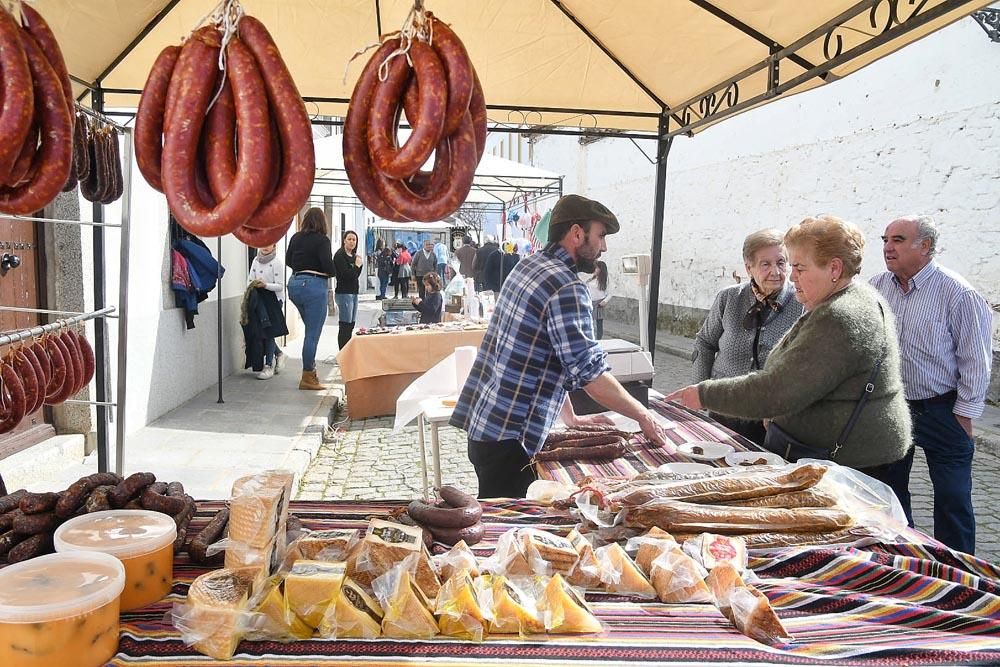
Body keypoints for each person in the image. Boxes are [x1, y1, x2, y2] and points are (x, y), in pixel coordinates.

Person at [666, 215, 912, 497]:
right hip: (848, 459)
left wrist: (703, 394)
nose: (791, 277)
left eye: (798, 267)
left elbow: (777, 390)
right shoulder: (843, 299)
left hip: (849, 467)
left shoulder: (839, 315)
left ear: (834, 268)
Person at [450, 194, 668, 499]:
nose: (604, 247)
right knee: (508, 533)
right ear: (577, 233)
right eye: (601, 235)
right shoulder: (566, 286)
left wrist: (571, 418)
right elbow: (590, 373)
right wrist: (643, 415)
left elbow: (550, 355)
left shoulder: (529, 266)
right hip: (510, 441)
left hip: (487, 428)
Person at [870, 215, 993, 555]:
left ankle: (958, 571)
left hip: (942, 409)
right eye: (885, 239)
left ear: (924, 246)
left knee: (953, 498)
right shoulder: (877, 287)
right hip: (892, 408)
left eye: (897, 239)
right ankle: (904, 559)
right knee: (889, 492)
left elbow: (975, 360)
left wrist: (965, 414)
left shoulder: (959, 293)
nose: (887, 247)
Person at [690, 229, 803, 445]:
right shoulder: (729, 298)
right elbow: (704, 343)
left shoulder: (800, 304)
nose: (775, 272)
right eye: (765, 264)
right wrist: (700, 391)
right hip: (724, 407)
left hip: (770, 415)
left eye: (781, 262)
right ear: (748, 267)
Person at [286, 207, 336, 391]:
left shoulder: (296, 237)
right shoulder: (322, 240)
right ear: (323, 222)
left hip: (294, 284)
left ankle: (310, 372)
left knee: (310, 329)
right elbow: (329, 267)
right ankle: (308, 376)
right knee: (312, 335)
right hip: (314, 285)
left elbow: (289, 260)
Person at [246, 242, 287, 379]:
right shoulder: (256, 261)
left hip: (274, 301)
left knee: (269, 332)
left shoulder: (277, 263)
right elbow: (250, 279)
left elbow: (280, 286)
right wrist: (253, 285)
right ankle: (279, 353)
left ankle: (268, 365)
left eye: (269, 243)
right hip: (259, 301)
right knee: (260, 332)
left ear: (274, 246)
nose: (265, 246)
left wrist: (265, 285)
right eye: (263, 242)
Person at [333, 230, 363, 351]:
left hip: (354, 292)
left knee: (351, 324)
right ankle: (343, 352)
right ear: (344, 240)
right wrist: (356, 266)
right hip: (344, 293)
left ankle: (348, 351)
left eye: (354, 240)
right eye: (349, 239)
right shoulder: (340, 255)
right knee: (345, 324)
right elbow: (346, 275)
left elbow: (356, 275)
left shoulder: (355, 256)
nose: (352, 242)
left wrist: (357, 266)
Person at [582, 260, 612, 340]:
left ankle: (599, 339)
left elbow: (610, 293)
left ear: (601, 269)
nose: (594, 269)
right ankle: (589, 338)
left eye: (596, 268)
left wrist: (604, 301)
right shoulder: (591, 279)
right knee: (588, 322)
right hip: (589, 302)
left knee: (599, 323)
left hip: (599, 303)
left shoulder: (605, 281)